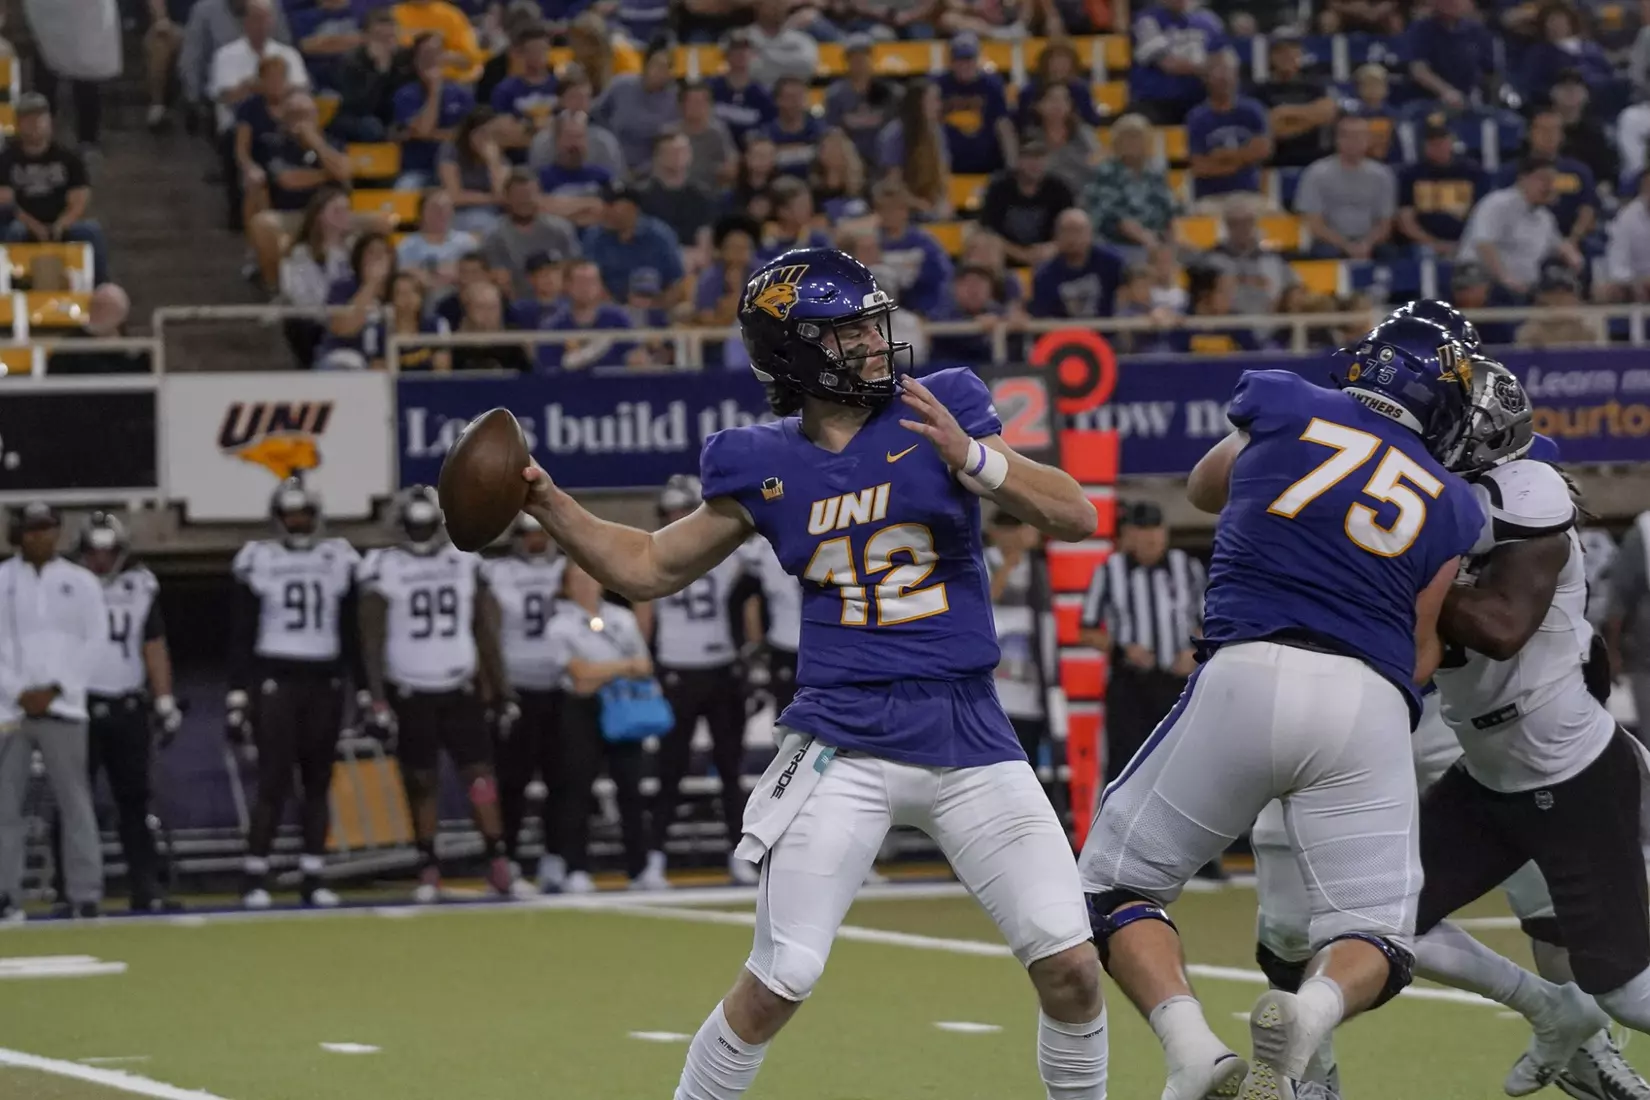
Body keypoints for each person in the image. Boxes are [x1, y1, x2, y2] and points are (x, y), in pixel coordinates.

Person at [513, 247, 1108, 1100]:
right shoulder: (761, 461)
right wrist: (547, 500)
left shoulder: (939, 409)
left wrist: (976, 460)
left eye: (874, 322)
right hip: (843, 743)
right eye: (849, 330)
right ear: (793, 351)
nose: (873, 341)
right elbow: (646, 566)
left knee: (1074, 969)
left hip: (968, 730)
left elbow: (1075, 514)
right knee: (781, 976)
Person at [1077, 316, 1484, 1100]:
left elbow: (1203, 488)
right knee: (1377, 937)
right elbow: (1422, 644)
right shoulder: (1454, 502)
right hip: (1367, 698)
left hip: (1248, 671)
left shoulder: (1285, 402)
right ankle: (1314, 1008)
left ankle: (1191, 1049)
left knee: (1113, 890)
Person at [357, 486, 519, 901]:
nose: (420, 531)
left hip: (459, 683)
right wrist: (375, 696)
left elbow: (486, 629)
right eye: (415, 524)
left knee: (480, 775)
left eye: (425, 524)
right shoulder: (383, 565)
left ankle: (497, 859)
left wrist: (501, 689)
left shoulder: (464, 562)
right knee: (421, 779)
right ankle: (428, 864)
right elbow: (370, 638)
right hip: (411, 686)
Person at [227, 479, 361, 909]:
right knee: (273, 780)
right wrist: (237, 693)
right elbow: (242, 630)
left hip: (324, 677)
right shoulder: (258, 558)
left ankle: (312, 873)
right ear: (278, 518)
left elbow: (350, 628)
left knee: (318, 781)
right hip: (276, 676)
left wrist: (357, 688)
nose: (298, 522)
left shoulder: (337, 556)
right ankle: (254, 875)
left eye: (303, 513)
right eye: (291, 515)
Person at [639, 475, 758, 890]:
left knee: (730, 770)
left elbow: (750, 606)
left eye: (681, 510)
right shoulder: (654, 553)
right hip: (676, 670)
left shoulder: (727, 554)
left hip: (721, 667)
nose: (675, 518)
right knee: (670, 772)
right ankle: (656, 858)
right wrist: (648, 666)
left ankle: (738, 855)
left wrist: (750, 653)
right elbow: (645, 618)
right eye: (669, 511)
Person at [68, 512, 182, 914]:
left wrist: (164, 699)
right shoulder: (65, 585)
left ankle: (145, 886)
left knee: (135, 802)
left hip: (127, 705)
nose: (101, 560)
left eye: (108, 551)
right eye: (94, 552)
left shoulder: (139, 586)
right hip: (77, 707)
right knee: (72, 803)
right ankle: (73, 890)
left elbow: (153, 644)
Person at [0, 502, 106, 921]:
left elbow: (94, 641)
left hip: (64, 706)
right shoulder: (2, 581)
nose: (38, 537)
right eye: (30, 530)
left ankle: (84, 892)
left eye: (46, 529)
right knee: (5, 806)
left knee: (75, 801)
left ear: (58, 532)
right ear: (17, 534)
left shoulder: (81, 582)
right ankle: (7, 894)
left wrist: (57, 687)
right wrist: (18, 691)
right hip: (9, 709)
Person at [543, 559, 654, 894]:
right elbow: (578, 677)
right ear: (565, 586)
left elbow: (645, 664)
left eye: (589, 578)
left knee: (630, 790)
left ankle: (640, 868)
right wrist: (622, 667)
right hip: (581, 711)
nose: (585, 585)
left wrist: (601, 670)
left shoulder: (621, 618)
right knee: (577, 789)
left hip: (622, 706)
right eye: (575, 579)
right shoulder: (559, 626)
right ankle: (575, 867)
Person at [1078, 501, 1203, 785]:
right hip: (1130, 685)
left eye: (1156, 529)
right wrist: (1123, 649)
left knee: (1180, 764)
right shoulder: (1110, 571)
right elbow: (1086, 631)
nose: (1151, 537)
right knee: (1126, 766)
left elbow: (1204, 622)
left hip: (1177, 683)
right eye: (1142, 529)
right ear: (1128, 534)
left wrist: (1195, 651)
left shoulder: (1187, 567)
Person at [478, 513, 565, 894]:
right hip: (518, 687)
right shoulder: (498, 572)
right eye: (529, 535)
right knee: (513, 779)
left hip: (562, 684)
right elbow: (488, 629)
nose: (536, 541)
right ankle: (509, 859)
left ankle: (556, 858)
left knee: (561, 780)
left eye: (541, 534)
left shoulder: (568, 567)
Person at [0, 93, 108, 286]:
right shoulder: (6, 160)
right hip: (22, 223)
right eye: (28, 119)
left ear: (50, 121)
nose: (35, 124)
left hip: (60, 222)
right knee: (12, 232)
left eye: (40, 118)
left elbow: (80, 198)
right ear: (18, 123)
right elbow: (5, 202)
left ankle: (99, 289)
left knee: (91, 230)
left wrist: (61, 224)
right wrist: (34, 225)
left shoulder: (68, 158)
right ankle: (12, 288)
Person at [392, 33, 477, 191]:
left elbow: (468, 135)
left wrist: (433, 134)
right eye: (425, 54)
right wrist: (435, 90)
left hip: (456, 170)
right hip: (418, 171)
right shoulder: (405, 94)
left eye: (436, 53)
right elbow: (424, 130)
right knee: (404, 190)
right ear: (415, 61)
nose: (431, 59)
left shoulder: (461, 94)